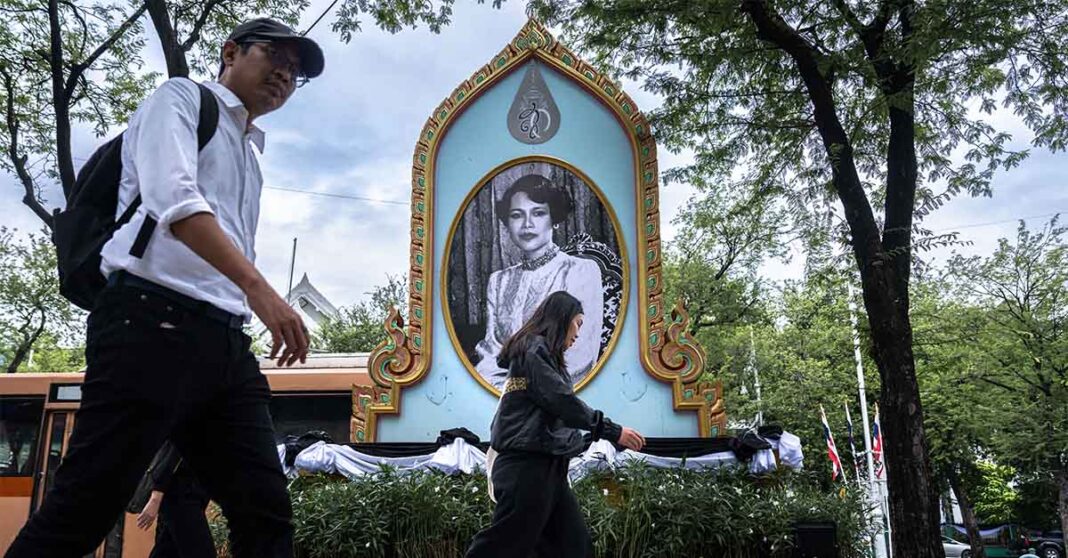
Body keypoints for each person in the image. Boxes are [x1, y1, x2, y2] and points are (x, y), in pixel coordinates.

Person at [5, 18, 324, 558]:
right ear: (231, 51)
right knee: (83, 510)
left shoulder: (250, 157)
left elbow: (228, 250)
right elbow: (173, 203)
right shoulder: (180, 100)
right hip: (149, 323)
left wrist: (246, 302)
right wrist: (263, 293)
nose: (285, 75)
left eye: (296, 72)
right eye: (276, 56)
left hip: (226, 347)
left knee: (265, 512)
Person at [465, 291, 645, 558]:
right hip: (527, 468)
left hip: (547, 466)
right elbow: (561, 401)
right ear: (562, 319)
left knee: (573, 545)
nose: (578, 333)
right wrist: (612, 431)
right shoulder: (533, 348)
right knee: (503, 546)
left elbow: (554, 417)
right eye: (578, 323)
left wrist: (592, 437)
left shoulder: (540, 356)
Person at [474, 174, 604, 390]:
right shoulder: (498, 281)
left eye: (538, 213)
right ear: (507, 223)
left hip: (560, 398)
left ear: (554, 220)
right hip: (501, 395)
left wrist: (521, 390)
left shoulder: (581, 271)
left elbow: (580, 358)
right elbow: (491, 353)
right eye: (517, 215)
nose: (527, 224)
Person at [134, 441, 213, 558]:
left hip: (191, 494)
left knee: (167, 551)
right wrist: (156, 497)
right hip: (181, 493)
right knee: (202, 552)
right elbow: (172, 451)